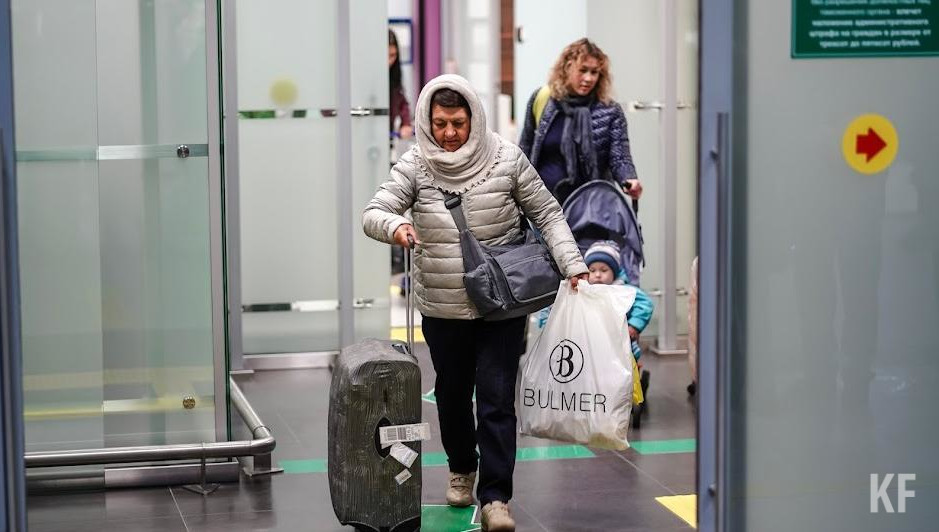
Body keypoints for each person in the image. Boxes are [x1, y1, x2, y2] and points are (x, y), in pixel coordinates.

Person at [363, 74, 588, 532]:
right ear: (427, 121)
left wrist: (573, 264)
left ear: (475, 119)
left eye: (458, 123)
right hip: (443, 305)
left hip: (502, 303)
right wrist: (396, 227)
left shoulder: (506, 158)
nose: (449, 133)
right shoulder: (415, 164)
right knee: (451, 394)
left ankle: (496, 498)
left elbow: (547, 213)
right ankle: (462, 467)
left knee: (496, 397)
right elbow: (374, 212)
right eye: (440, 124)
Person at [519, 38, 642, 205]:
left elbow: (619, 157)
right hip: (544, 206)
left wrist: (629, 179)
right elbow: (525, 149)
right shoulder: (543, 99)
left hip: (591, 208)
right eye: (583, 70)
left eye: (594, 72)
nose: (588, 78)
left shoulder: (610, 111)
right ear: (567, 68)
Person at [583, 240, 654, 363]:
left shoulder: (623, 290)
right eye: (592, 270)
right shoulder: (584, 291)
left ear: (614, 273)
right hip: (592, 344)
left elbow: (645, 304)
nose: (598, 275)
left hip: (620, 344)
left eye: (604, 270)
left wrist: (634, 326)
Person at [388, 29, 412, 139]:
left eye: (392, 55)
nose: (389, 61)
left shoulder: (394, 73)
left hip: (388, 133)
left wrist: (406, 123)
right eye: (385, 55)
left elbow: (402, 102)